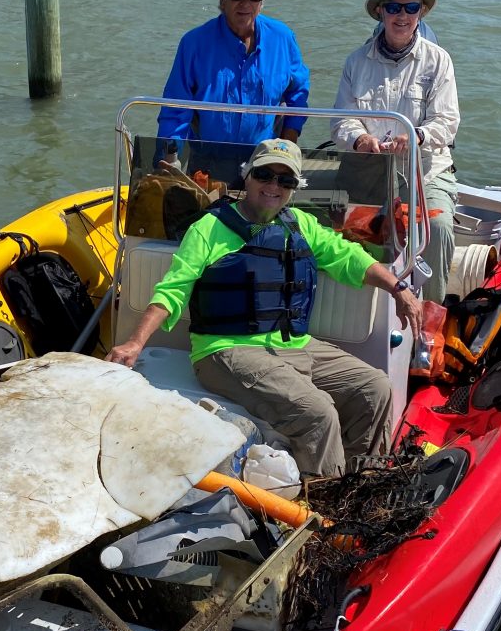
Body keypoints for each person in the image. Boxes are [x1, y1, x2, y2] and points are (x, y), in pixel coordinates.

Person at [107, 139, 422, 480]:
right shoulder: (210, 228)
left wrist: (399, 287)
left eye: (285, 181)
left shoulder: (299, 224)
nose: (273, 186)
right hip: (226, 351)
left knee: (374, 388)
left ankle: (363, 482)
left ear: (294, 187)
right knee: (318, 413)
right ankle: (323, 501)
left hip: (293, 345)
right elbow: (173, 290)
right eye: (265, 175)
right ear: (248, 176)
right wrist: (135, 342)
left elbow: (348, 257)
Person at [332, 0, 461, 304]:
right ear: (380, 13)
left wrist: (416, 136)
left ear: (421, 13)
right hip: (369, 171)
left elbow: (446, 123)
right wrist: (360, 140)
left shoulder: (439, 61)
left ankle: (429, 319)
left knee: (440, 230)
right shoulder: (355, 62)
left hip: (425, 171)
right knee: (340, 230)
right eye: (393, 8)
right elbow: (341, 121)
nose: (402, 16)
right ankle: (361, 310)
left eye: (411, 7)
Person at [155, 0, 310, 178]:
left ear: (262, 1)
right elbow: (175, 110)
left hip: (265, 161)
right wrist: (166, 164)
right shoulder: (194, 43)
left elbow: (298, 93)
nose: (246, 4)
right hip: (207, 163)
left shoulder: (283, 38)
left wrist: (287, 145)